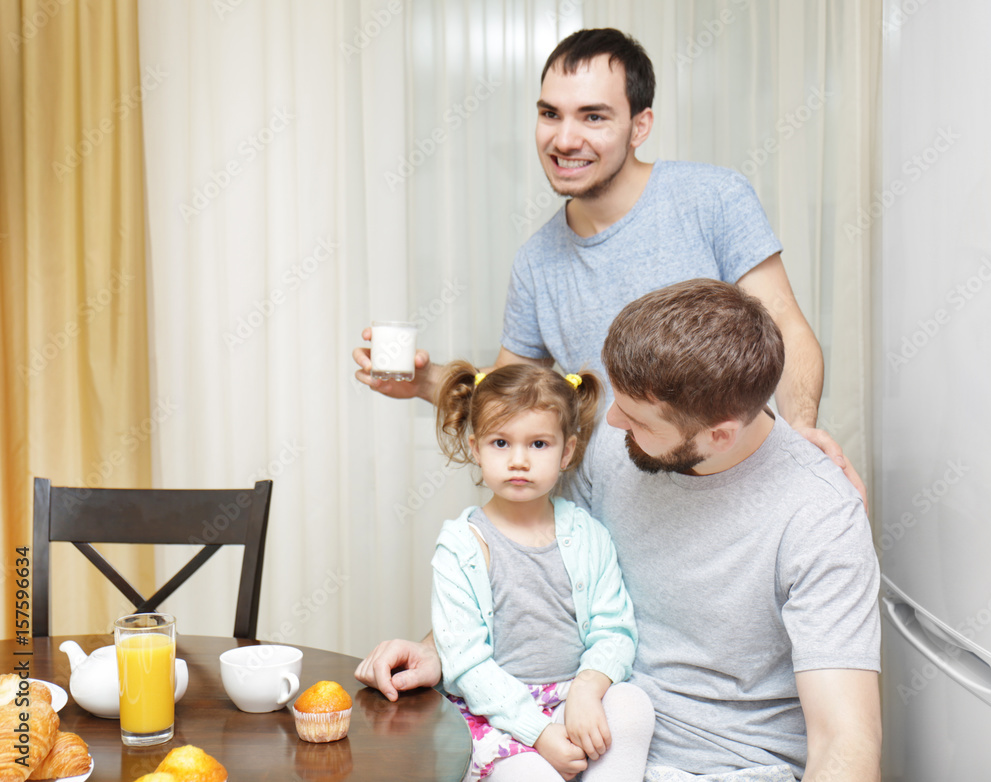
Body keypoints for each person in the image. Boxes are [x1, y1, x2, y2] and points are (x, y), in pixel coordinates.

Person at [359, 281, 881, 780]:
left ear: (718, 435)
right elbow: (532, 559)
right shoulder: (619, 446)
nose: (609, 423)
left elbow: (846, 742)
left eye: (636, 419)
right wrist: (440, 646)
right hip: (576, 732)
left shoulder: (820, 517)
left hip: (726, 764)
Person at [352, 27, 865, 501]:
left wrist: (801, 431)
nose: (564, 139)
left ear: (640, 125)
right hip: (607, 542)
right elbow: (514, 394)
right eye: (550, 114)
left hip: (729, 508)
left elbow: (785, 324)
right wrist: (422, 382)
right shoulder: (536, 261)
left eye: (593, 117)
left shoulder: (713, 198)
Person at [430, 361, 654, 781]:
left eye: (538, 444)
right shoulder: (460, 547)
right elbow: (465, 665)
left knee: (632, 705)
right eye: (501, 443)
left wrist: (589, 689)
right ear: (476, 448)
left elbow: (614, 629)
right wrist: (539, 733)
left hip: (571, 695)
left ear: (566, 451)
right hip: (495, 712)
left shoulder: (589, 535)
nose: (518, 460)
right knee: (532, 775)